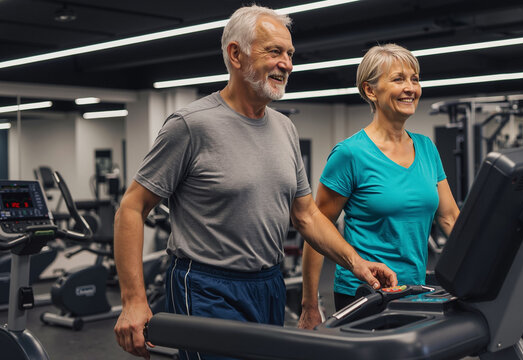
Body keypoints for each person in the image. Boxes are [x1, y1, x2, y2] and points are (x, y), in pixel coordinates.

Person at [113, 6, 396, 359]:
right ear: (236, 54)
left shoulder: (285, 128)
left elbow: (306, 215)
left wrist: (356, 261)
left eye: (290, 54)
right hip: (206, 286)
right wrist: (134, 300)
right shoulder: (191, 125)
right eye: (274, 51)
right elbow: (132, 207)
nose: (287, 64)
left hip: (268, 284)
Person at [298, 44, 460, 330]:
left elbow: (449, 217)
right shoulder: (350, 154)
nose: (411, 87)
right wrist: (310, 305)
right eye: (398, 79)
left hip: (415, 290)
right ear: (370, 91)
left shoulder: (426, 148)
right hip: (362, 293)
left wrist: (490, 263)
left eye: (415, 79)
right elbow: (316, 228)